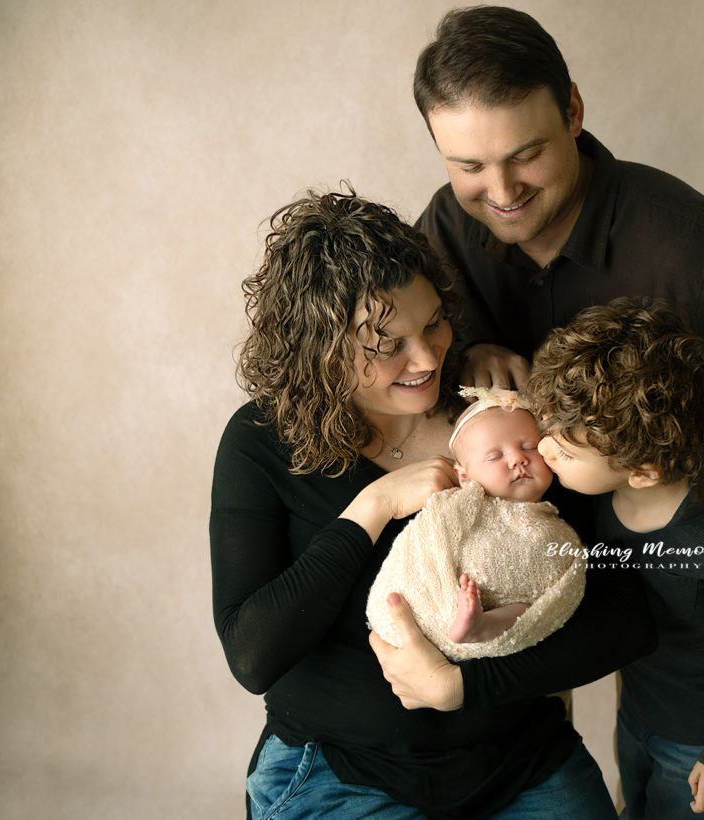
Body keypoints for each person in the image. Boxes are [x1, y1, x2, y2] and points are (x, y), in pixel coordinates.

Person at [210, 187, 654, 819]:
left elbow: (626, 616)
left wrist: (464, 687)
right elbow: (254, 655)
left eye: (433, 324)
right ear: (319, 349)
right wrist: (372, 508)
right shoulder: (261, 443)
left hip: (518, 759)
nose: (426, 358)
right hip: (337, 768)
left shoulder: (501, 418)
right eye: (387, 345)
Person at [412, 5, 704, 620]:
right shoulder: (444, 228)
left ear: (573, 111)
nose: (500, 193)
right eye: (469, 166)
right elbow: (404, 369)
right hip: (510, 570)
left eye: (525, 155)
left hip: (670, 570)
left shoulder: (694, 247)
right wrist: (465, 354)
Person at [526, 297, 704, 818]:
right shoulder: (597, 498)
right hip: (636, 710)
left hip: (695, 743)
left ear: (642, 471)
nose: (543, 449)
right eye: (549, 431)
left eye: (564, 451)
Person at [366, 386, 586, 660]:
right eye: (495, 456)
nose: (518, 458)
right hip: (440, 598)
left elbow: (559, 597)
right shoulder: (456, 507)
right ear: (464, 476)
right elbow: (426, 543)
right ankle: (467, 621)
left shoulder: (558, 531)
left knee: (528, 609)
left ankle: (480, 627)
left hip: (498, 614)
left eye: (529, 447)